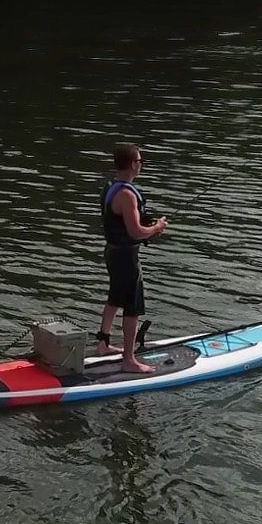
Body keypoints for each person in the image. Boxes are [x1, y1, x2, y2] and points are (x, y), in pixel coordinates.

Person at [96, 143, 168, 373]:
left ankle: (102, 344)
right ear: (132, 164)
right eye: (140, 161)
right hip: (126, 257)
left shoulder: (110, 187)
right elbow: (136, 232)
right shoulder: (127, 195)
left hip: (112, 252)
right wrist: (156, 228)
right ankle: (129, 359)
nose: (141, 165)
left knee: (115, 297)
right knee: (132, 307)